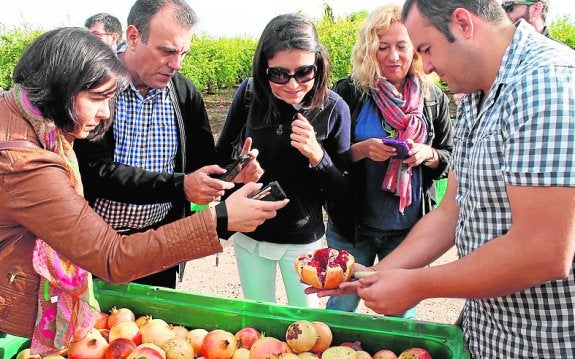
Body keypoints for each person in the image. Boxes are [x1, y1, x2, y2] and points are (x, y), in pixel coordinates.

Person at [308, 0, 575, 357]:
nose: (427, 65)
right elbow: (451, 212)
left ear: (463, 23)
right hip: (488, 330)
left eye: (425, 48)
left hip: (541, 340)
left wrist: (417, 284)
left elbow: (543, 251)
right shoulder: (476, 96)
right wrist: (376, 275)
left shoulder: (545, 85)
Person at [0, 27, 287, 355]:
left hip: (142, 238)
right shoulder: (25, 162)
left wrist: (232, 172)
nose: (106, 112)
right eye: (97, 99)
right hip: (82, 258)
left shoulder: (26, 115)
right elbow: (112, 255)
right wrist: (220, 220)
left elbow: (200, 160)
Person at [75, 0, 264, 289]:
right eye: (167, 51)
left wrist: (231, 175)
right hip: (95, 244)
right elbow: (93, 171)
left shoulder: (183, 92)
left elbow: (199, 162)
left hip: (159, 244)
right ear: (134, 37)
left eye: (183, 53)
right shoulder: (94, 85)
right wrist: (180, 185)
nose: (176, 64)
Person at [325, 4, 453, 318]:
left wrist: (429, 154)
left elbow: (450, 155)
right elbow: (325, 158)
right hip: (353, 228)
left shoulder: (432, 97)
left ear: (416, 50)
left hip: (408, 231)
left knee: (401, 312)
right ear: (370, 50)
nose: (393, 56)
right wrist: (361, 149)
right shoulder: (349, 93)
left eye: (401, 46)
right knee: (341, 306)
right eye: (383, 47)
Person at [216, 13, 351, 308]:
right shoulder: (250, 95)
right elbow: (219, 161)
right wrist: (238, 172)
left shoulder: (333, 107)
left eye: (304, 72)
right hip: (250, 234)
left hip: (303, 241)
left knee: (308, 327)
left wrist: (318, 156)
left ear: (318, 66)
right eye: (279, 74)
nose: (292, 85)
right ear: (263, 68)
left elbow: (343, 191)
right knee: (258, 319)